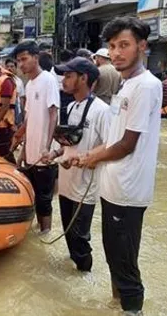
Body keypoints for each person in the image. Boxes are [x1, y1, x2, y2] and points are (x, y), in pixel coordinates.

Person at [74, 17, 162, 315]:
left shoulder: (146, 86)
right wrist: (86, 155)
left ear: (142, 46)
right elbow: (113, 137)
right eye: (112, 46)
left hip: (128, 190)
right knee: (114, 257)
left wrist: (93, 157)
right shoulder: (125, 86)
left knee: (125, 265)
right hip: (112, 188)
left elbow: (127, 144)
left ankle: (131, 309)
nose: (116, 53)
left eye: (124, 45)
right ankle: (116, 305)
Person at [42, 57, 109, 273]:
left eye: (69, 76)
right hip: (66, 185)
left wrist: (85, 158)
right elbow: (69, 144)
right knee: (69, 236)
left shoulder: (102, 111)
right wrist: (54, 153)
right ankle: (74, 280)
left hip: (85, 189)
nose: (64, 80)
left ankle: (85, 278)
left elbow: (109, 146)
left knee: (80, 240)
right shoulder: (70, 107)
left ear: (84, 78)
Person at [11, 41, 60, 235]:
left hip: (45, 155)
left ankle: (45, 234)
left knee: (44, 199)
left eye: (24, 59)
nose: (21, 65)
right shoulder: (29, 85)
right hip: (31, 152)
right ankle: (40, 231)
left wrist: (47, 148)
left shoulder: (48, 80)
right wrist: (22, 150)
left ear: (36, 58)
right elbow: (29, 120)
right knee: (34, 197)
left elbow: (53, 113)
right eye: (18, 61)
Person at [5, 58, 26, 126]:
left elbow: (22, 100)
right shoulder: (2, 81)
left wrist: (23, 116)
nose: (9, 68)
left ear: (16, 68)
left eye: (12, 66)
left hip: (17, 114)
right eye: (7, 66)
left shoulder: (19, 82)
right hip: (5, 114)